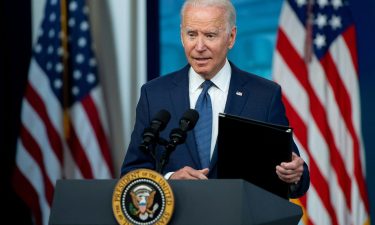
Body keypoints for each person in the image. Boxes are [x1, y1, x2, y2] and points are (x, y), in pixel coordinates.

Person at [121, 0, 309, 198]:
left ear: (231, 37)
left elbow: (293, 173)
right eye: (191, 34)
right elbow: (131, 175)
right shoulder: (155, 94)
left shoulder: (263, 95)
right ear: (181, 35)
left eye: (210, 35)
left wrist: (294, 174)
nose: (199, 46)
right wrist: (169, 181)